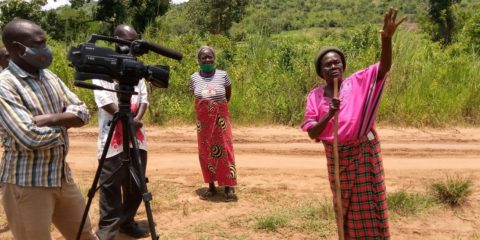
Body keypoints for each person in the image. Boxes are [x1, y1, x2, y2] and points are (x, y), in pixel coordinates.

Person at [301, 8, 406, 239]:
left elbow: (384, 67)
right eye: (327, 65)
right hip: (338, 158)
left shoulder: (358, 81)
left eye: (337, 62)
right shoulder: (314, 97)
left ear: (343, 65)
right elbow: (312, 133)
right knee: (344, 207)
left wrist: (386, 39)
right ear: (321, 72)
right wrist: (329, 115)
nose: (333, 67)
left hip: (364, 153)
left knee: (370, 202)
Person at [0, 19, 96, 240]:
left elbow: (83, 111)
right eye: (39, 44)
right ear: (17, 48)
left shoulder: (49, 76)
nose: (45, 49)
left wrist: (50, 119)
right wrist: (66, 124)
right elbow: (29, 137)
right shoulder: (5, 85)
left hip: (61, 177)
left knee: (85, 235)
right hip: (27, 184)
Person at [93, 24, 149, 240]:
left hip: (137, 137)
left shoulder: (137, 67)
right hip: (112, 137)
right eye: (127, 40)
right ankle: (108, 230)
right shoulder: (102, 68)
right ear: (116, 41)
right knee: (110, 185)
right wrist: (126, 119)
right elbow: (104, 101)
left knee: (137, 183)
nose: (131, 45)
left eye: (134, 40)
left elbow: (143, 98)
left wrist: (136, 120)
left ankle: (127, 221)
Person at [189, 46, 238, 202]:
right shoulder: (194, 78)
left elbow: (227, 94)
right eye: (204, 57)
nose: (207, 60)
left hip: (221, 120)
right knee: (206, 152)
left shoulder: (223, 75)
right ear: (199, 60)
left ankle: (229, 187)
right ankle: (211, 186)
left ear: (214, 58)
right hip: (203, 123)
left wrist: (217, 110)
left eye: (210, 57)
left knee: (225, 151)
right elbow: (196, 97)